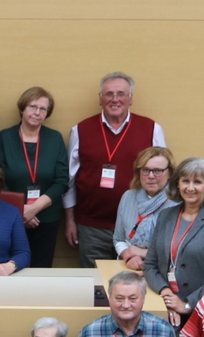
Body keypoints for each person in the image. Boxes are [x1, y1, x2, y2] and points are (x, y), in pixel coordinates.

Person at [63, 72, 167, 267]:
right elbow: (70, 180)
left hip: (136, 227)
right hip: (92, 227)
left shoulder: (151, 129)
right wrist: (70, 220)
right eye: (109, 94)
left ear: (130, 99)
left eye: (121, 94)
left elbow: (164, 179)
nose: (115, 99)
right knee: (96, 288)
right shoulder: (81, 130)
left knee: (133, 287)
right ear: (100, 99)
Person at [145, 157, 204, 327]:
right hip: (163, 306)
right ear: (178, 183)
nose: (190, 188)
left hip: (201, 311)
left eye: (198, 182)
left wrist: (187, 304)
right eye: (185, 181)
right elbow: (150, 264)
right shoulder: (165, 216)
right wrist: (166, 294)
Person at [0, 87, 69, 268]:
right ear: (22, 108)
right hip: (11, 217)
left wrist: (33, 208)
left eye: (42, 109)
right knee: (9, 269)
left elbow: (62, 181)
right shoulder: (4, 137)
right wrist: (21, 210)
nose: (37, 113)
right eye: (33, 107)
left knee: (41, 270)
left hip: (47, 218)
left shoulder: (54, 138)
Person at [111, 147, 176, 272]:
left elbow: (180, 249)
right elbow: (118, 239)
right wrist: (128, 256)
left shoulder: (178, 202)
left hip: (165, 271)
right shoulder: (128, 197)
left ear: (170, 173)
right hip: (130, 268)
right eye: (145, 170)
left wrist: (143, 253)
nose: (151, 176)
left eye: (158, 171)